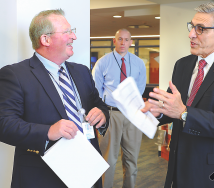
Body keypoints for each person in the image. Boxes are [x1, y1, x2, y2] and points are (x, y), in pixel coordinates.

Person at [142, 2, 214, 188]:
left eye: (200, 29)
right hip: (178, 164)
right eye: (192, 26)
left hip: (213, 172)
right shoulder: (183, 64)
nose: (191, 34)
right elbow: (173, 107)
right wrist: (159, 111)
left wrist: (185, 113)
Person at [0, 9, 109, 188]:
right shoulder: (15, 75)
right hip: (42, 177)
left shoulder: (82, 71)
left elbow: (98, 105)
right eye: (67, 32)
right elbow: (4, 124)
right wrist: (48, 131)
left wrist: (102, 115)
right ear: (45, 39)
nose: (73, 36)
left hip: (88, 171)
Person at [92, 28, 146, 188]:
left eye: (126, 39)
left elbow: (140, 88)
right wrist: (102, 110)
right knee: (108, 159)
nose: (123, 42)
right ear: (114, 41)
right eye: (120, 39)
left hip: (132, 114)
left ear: (131, 42)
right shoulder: (103, 62)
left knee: (132, 160)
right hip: (110, 114)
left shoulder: (138, 63)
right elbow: (96, 89)